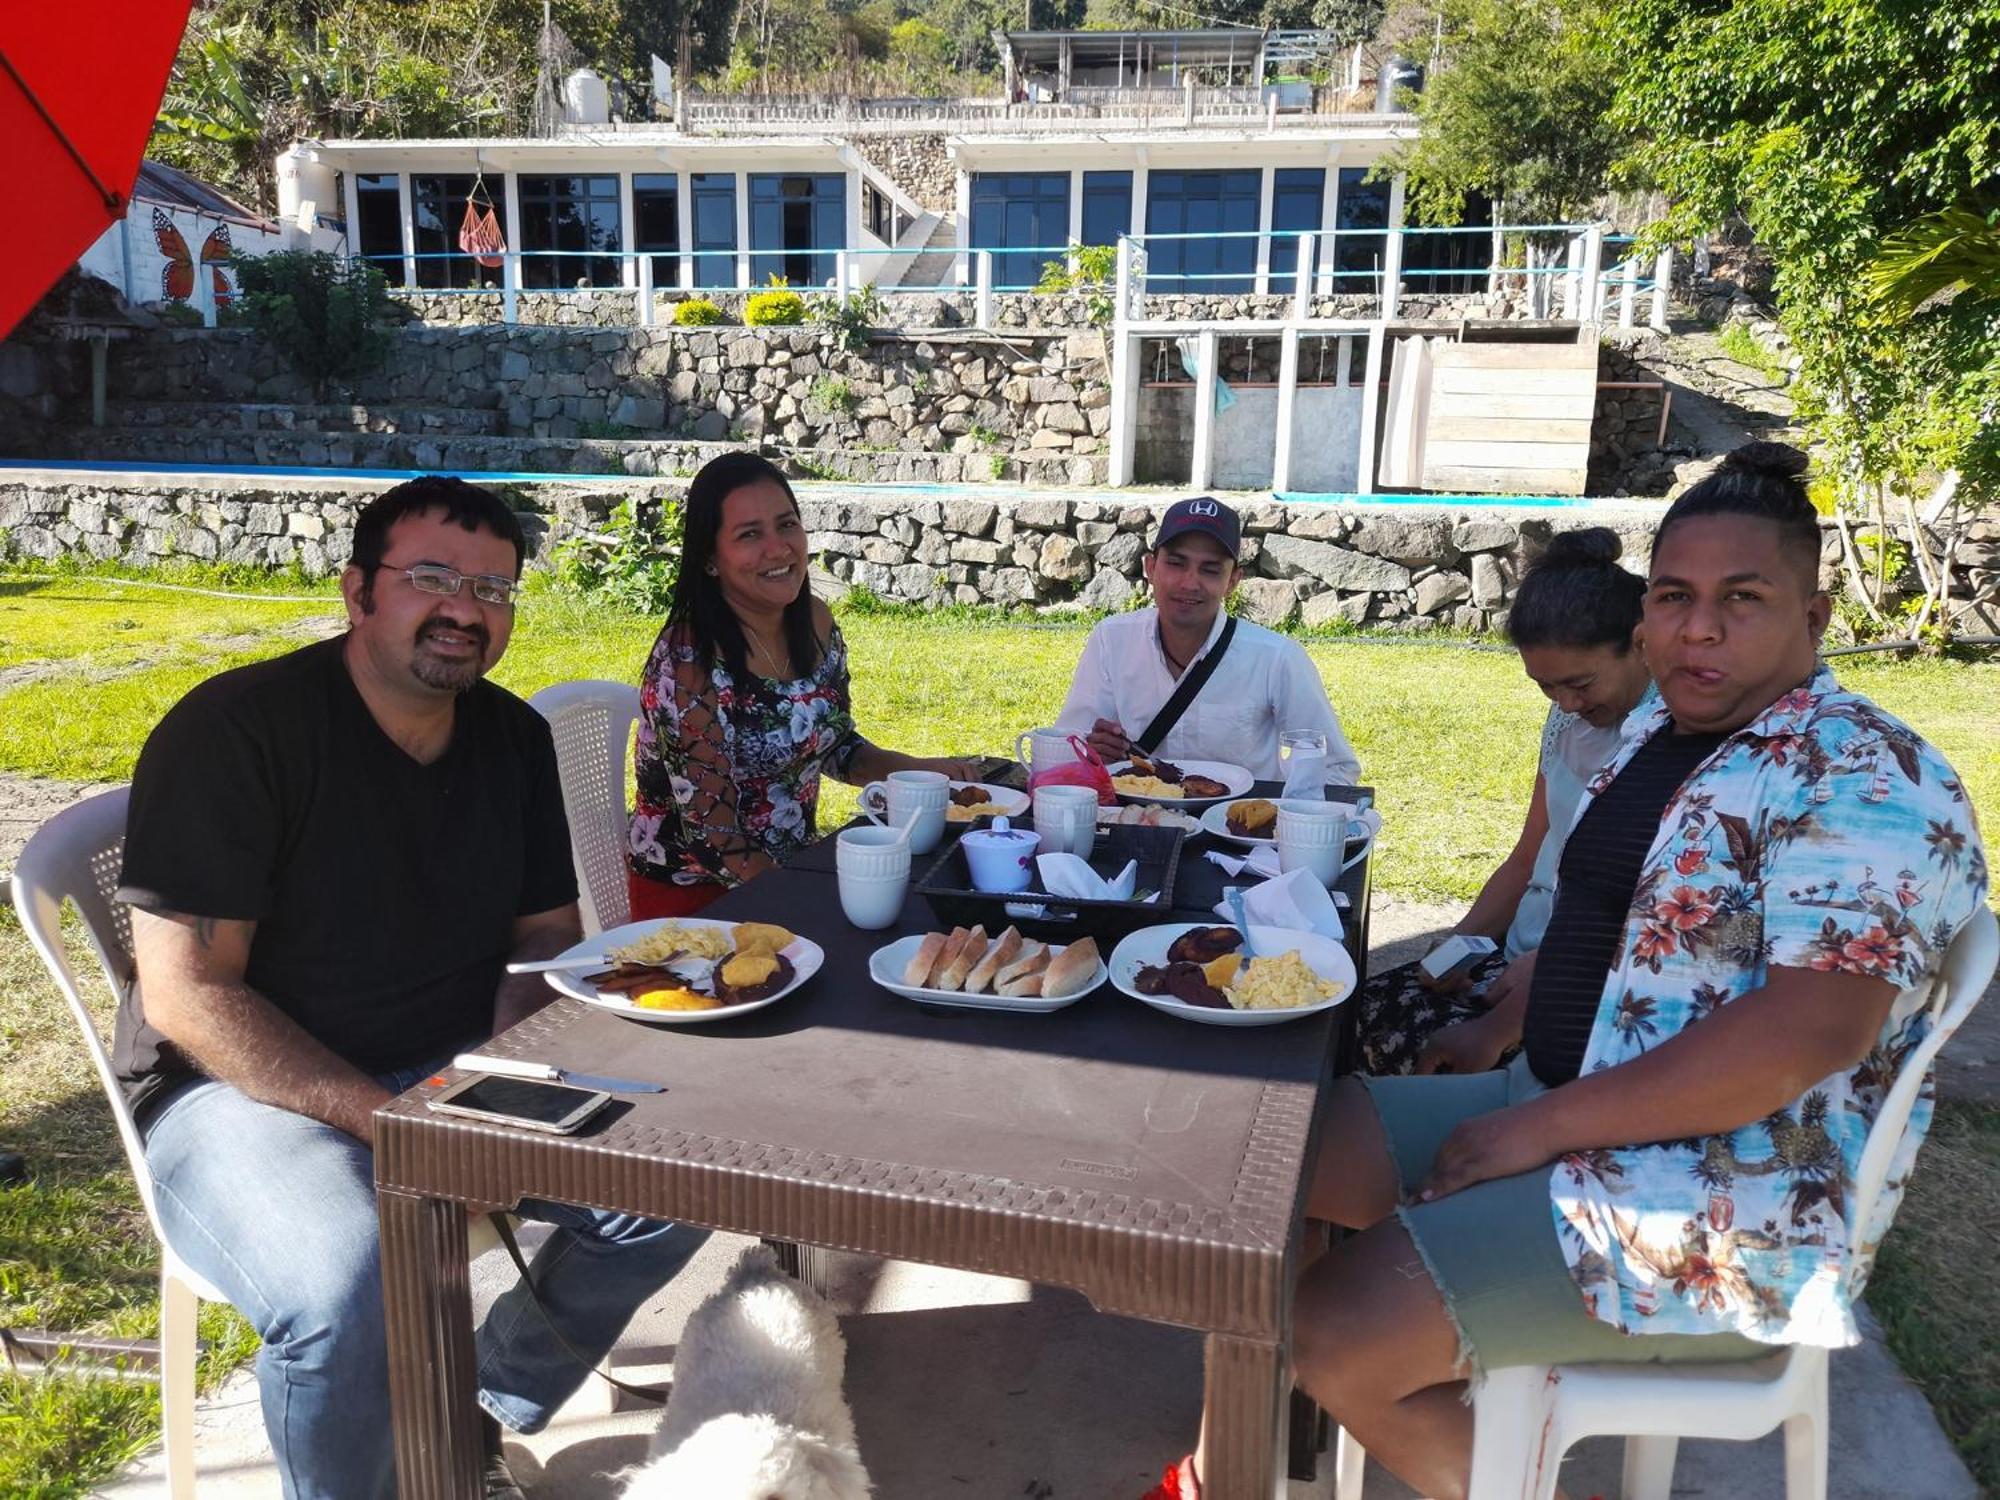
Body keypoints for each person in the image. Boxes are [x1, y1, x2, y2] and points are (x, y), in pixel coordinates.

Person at [1141, 444, 1988, 1500]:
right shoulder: (1663, 733)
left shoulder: (1859, 773)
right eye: (1673, 597)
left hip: (1734, 1191)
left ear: (1811, 619)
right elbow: (1601, 927)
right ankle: (1283, 1451)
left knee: (1337, 1324)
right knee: (1273, 1168)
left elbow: (1807, 1032)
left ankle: (1464, 1445)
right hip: (1574, 1089)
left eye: (1742, 599)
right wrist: (1499, 1035)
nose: (1697, 628)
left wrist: (1528, 1129)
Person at [116, 476, 709, 1500]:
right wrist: (402, 1127)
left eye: (494, 589)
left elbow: (538, 947)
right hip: (234, 1088)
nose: (465, 611)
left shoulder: (511, 740)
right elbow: (188, 997)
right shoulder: (239, 732)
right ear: (357, 591)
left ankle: (473, 1409)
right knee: (348, 1289)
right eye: (432, 578)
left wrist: (495, 1085)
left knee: (679, 1181)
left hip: (445, 1066)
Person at [1357, 527, 1652, 1074]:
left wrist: (1536, 980)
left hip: (1584, 982)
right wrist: (1455, 946)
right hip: (1511, 958)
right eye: (1546, 687)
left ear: (1640, 643)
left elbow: (1644, 924)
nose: (1565, 702)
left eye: (1581, 683)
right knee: (1348, 1016)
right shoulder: (1567, 718)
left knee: (1410, 1058)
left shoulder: (1666, 740)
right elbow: (1527, 857)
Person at [628, 452, 974, 917]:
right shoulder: (689, 662)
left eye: (787, 525)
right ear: (710, 559)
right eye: (750, 534)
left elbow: (835, 746)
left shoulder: (814, 623)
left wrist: (921, 772)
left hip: (791, 873)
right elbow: (714, 839)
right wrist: (813, 904)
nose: (778, 549)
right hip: (695, 901)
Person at [1055, 496, 1360, 784]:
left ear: (1232, 582)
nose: (1189, 583)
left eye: (1210, 570)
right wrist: (1094, 753)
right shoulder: (1112, 640)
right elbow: (1066, 749)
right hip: (1138, 823)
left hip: (1237, 832)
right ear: (1150, 568)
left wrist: (1277, 823)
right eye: (1176, 563)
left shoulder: (1276, 658)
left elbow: (1334, 770)